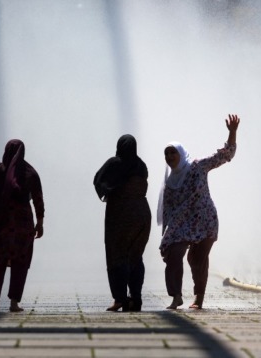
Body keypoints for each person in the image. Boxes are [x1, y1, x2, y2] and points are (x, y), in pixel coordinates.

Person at [158, 114, 240, 310]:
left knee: (197, 258)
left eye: (173, 153)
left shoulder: (197, 167)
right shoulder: (169, 182)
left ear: (181, 153)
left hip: (204, 220)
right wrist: (168, 234)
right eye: (166, 154)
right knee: (173, 252)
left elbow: (224, 156)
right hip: (182, 224)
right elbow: (168, 210)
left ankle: (199, 298)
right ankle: (176, 296)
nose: (169, 157)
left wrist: (232, 133)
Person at [0, 139, 44, 312]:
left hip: (0, 226)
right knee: (20, 263)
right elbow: (38, 200)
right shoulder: (30, 173)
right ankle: (14, 302)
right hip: (23, 228)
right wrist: (40, 222)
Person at [94, 134, 151, 312]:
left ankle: (120, 299)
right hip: (141, 216)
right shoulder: (141, 165)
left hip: (119, 217)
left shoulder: (114, 164)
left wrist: (108, 190)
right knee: (135, 256)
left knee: (117, 256)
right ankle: (136, 299)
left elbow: (98, 180)